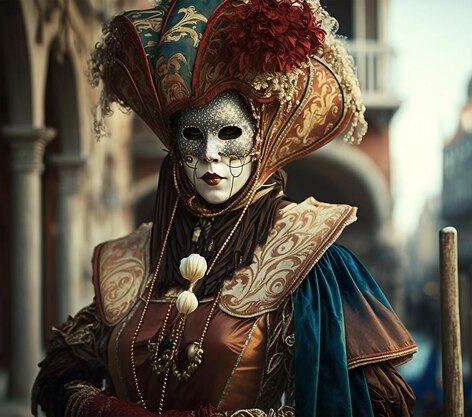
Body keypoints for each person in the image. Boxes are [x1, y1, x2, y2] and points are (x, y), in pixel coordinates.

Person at [32, 1, 417, 416]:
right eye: (194, 135)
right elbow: (60, 371)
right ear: (175, 147)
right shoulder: (136, 256)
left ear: (258, 139)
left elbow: (359, 404)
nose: (211, 155)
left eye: (229, 132)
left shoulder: (303, 254)